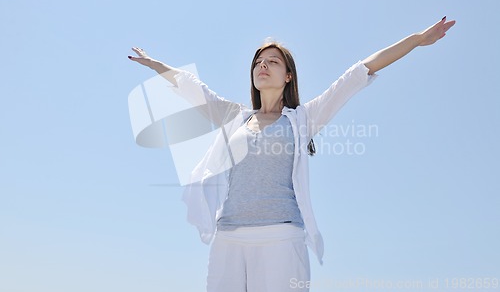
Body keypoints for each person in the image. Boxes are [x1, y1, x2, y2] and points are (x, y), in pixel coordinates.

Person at [128, 17, 455, 292]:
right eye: (258, 61)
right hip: (227, 239)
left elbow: (359, 72)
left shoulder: (303, 119)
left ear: (288, 75)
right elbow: (190, 86)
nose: (262, 65)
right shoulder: (235, 117)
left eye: (272, 61)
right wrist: (156, 64)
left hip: (281, 238)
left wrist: (415, 40)